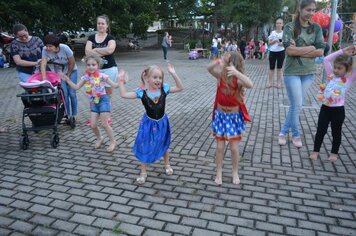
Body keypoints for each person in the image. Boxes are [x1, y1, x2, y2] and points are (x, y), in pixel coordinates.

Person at [118, 64, 183, 184]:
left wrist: (173, 73)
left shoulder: (164, 89)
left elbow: (180, 87)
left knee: (164, 144)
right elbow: (124, 95)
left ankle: (167, 164)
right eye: (155, 77)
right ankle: (143, 171)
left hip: (162, 122)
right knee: (145, 145)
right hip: (148, 124)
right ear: (147, 78)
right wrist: (121, 81)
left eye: (160, 77)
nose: (158, 80)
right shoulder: (142, 93)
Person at [278, 0, 325, 148]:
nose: (311, 13)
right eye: (308, 10)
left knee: (296, 105)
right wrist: (311, 48)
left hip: (309, 73)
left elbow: (321, 51)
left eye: (313, 10)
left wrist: (300, 51)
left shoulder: (316, 28)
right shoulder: (289, 27)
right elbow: (289, 51)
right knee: (297, 104)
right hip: (292, 72)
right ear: (300, 9)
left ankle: (283, 132)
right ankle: (296, 134)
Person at [207, 51, 253, 185]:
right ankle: (219, 172)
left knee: (233, 148)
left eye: (226, 62)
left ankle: (235, 172)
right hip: (221, 116)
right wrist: (217, 61)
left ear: (233, 65)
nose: (223, 64)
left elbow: (250, 84)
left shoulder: (238, 80)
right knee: (220, 147)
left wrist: (236, 72)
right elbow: (208, 69)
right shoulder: (220, 76)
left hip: (233, 117)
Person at [60, 55, 119, 152]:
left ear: (98, 65)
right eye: (88, 65)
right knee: (93, 125)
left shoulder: (102, 76)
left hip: (103, 100)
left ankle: (113, 141)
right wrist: (67, 80)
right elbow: (76, 87)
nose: (91, 67)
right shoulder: (85, 78)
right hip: (93, 102)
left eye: (93, 64)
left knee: (104, 124)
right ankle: (100, 138)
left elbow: (115, 85)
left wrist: (121, 80)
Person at [310, 45, 356, 162]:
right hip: (325, 108)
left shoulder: (349, 79)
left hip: (338, 110)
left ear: (347, 70)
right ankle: (315, 151)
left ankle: (334, 153)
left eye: (339, 68)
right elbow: (326, 59)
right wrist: (342, 51)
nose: (335, 70)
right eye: (335, 67)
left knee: (336, 132)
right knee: (321, 130)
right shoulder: (331, 75)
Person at [41, 34, 78, 121]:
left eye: (50, 46)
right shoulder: (45, 50)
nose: (48, 48)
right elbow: (43, 64)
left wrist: (67, 76)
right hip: (59, 73)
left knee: (72, 93)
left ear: (56, 45)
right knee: (64, 94)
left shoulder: (65, 48)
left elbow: (72, 62)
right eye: (47, 46)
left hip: (71, 71)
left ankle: (75, 114)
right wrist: (44, 79)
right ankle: (68, 115)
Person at [267, 17, 285, 88]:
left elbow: (284, 44)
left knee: (279, 68)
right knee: (271, 68)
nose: (278, 25)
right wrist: (274, 41)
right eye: (277, 23)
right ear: (275, 24)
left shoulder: (284, 33)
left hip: (281, 52)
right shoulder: (273, 33)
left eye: (280, 23)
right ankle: (269, 82)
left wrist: (279, 42)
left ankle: (278, 83)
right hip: (272, 51)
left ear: (282, 24)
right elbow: (269, 43)